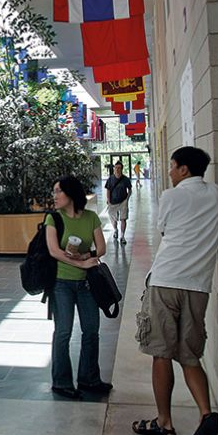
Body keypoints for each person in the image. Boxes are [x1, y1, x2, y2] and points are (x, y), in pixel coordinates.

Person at [132, 147, 218, 435]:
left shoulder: (171, 196)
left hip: (166, 281)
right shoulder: (216, 195)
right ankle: (205, 415)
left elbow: (164, 230)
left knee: (160, 353)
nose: (169, 172)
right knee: (189, 355)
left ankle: (164, 422)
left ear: (184, 170)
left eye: (172, 167)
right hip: (198, 285)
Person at [45, 175, 110, 399]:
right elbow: (54, 251)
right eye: (54, 191)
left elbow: (101, 248)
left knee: (91, 331)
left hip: (87, 284)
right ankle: (61, 382)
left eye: (58, 191)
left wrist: (85, 255)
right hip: (61, 283)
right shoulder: (53, 219)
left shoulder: (91, 217)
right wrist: (79, 263)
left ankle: (89, 378)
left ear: (71, 194)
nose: (54, 196)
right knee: (63, 332)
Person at [105, 161, 132, 245]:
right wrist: (109, 201)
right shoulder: (110, 179)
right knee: (113, 219)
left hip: (123, 201)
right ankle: (115, 230)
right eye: (116, 168)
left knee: (123, 218)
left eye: (119, 168)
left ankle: (122, 236)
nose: (117, 169)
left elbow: (130, 190)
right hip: (113, 202)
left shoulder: (125, 179)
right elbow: (108, 190)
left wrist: (127, 199)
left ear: (122, 169)